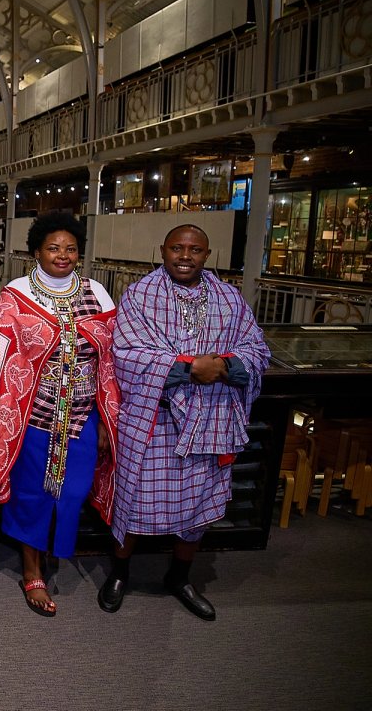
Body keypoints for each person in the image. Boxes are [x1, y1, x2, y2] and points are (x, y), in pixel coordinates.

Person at [100, 224, 269, 621]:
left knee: (196, 507)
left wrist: (224, 366)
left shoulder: (229, 298)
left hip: (211, 420)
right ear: (163, 250)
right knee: (135, 500)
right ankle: (120, 573)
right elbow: (125, 354)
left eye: (194, 249)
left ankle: (180, 577)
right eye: (177, 248)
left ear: (207, 254)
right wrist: (191, 368)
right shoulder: (140, 295)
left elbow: (256, 349)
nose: (185, 256)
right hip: (153, 419)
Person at [0, 212, 121, 616]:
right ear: (36, 251)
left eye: (70, 248)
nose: (62, 255)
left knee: (72, 492)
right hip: (31, 415)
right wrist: (2, 416)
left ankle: (54, 549)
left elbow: (111, 359)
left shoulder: (98, 292)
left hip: (82, 415)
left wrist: (103, 413)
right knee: (33, 493)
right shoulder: (17, 293)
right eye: (53, 248)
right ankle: (32, 570)